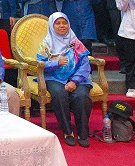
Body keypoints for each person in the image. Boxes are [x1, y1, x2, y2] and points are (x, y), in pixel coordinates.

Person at [37, 12, 93, 147]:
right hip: (53, 77)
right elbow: (40, 65)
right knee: (59, 94)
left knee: (81, 95)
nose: (62, 26)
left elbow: (85, 65)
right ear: (52, 26)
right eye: (58, 23)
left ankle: (82, 132)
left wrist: (75, 81)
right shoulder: (46, 44)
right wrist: (56, 63)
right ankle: (68, 131)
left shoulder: (76, 42)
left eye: (64, 23)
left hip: (78, 78)